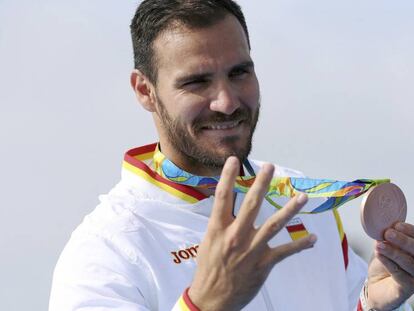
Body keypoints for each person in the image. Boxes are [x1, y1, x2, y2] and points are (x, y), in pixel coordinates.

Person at [49, 1, 414, 310]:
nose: (226, 102)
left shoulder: (303, 202)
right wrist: (204, 303)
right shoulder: (107, 250)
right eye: (196, 82)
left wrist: (368, 302)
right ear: (145, 91)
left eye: (239, 73)